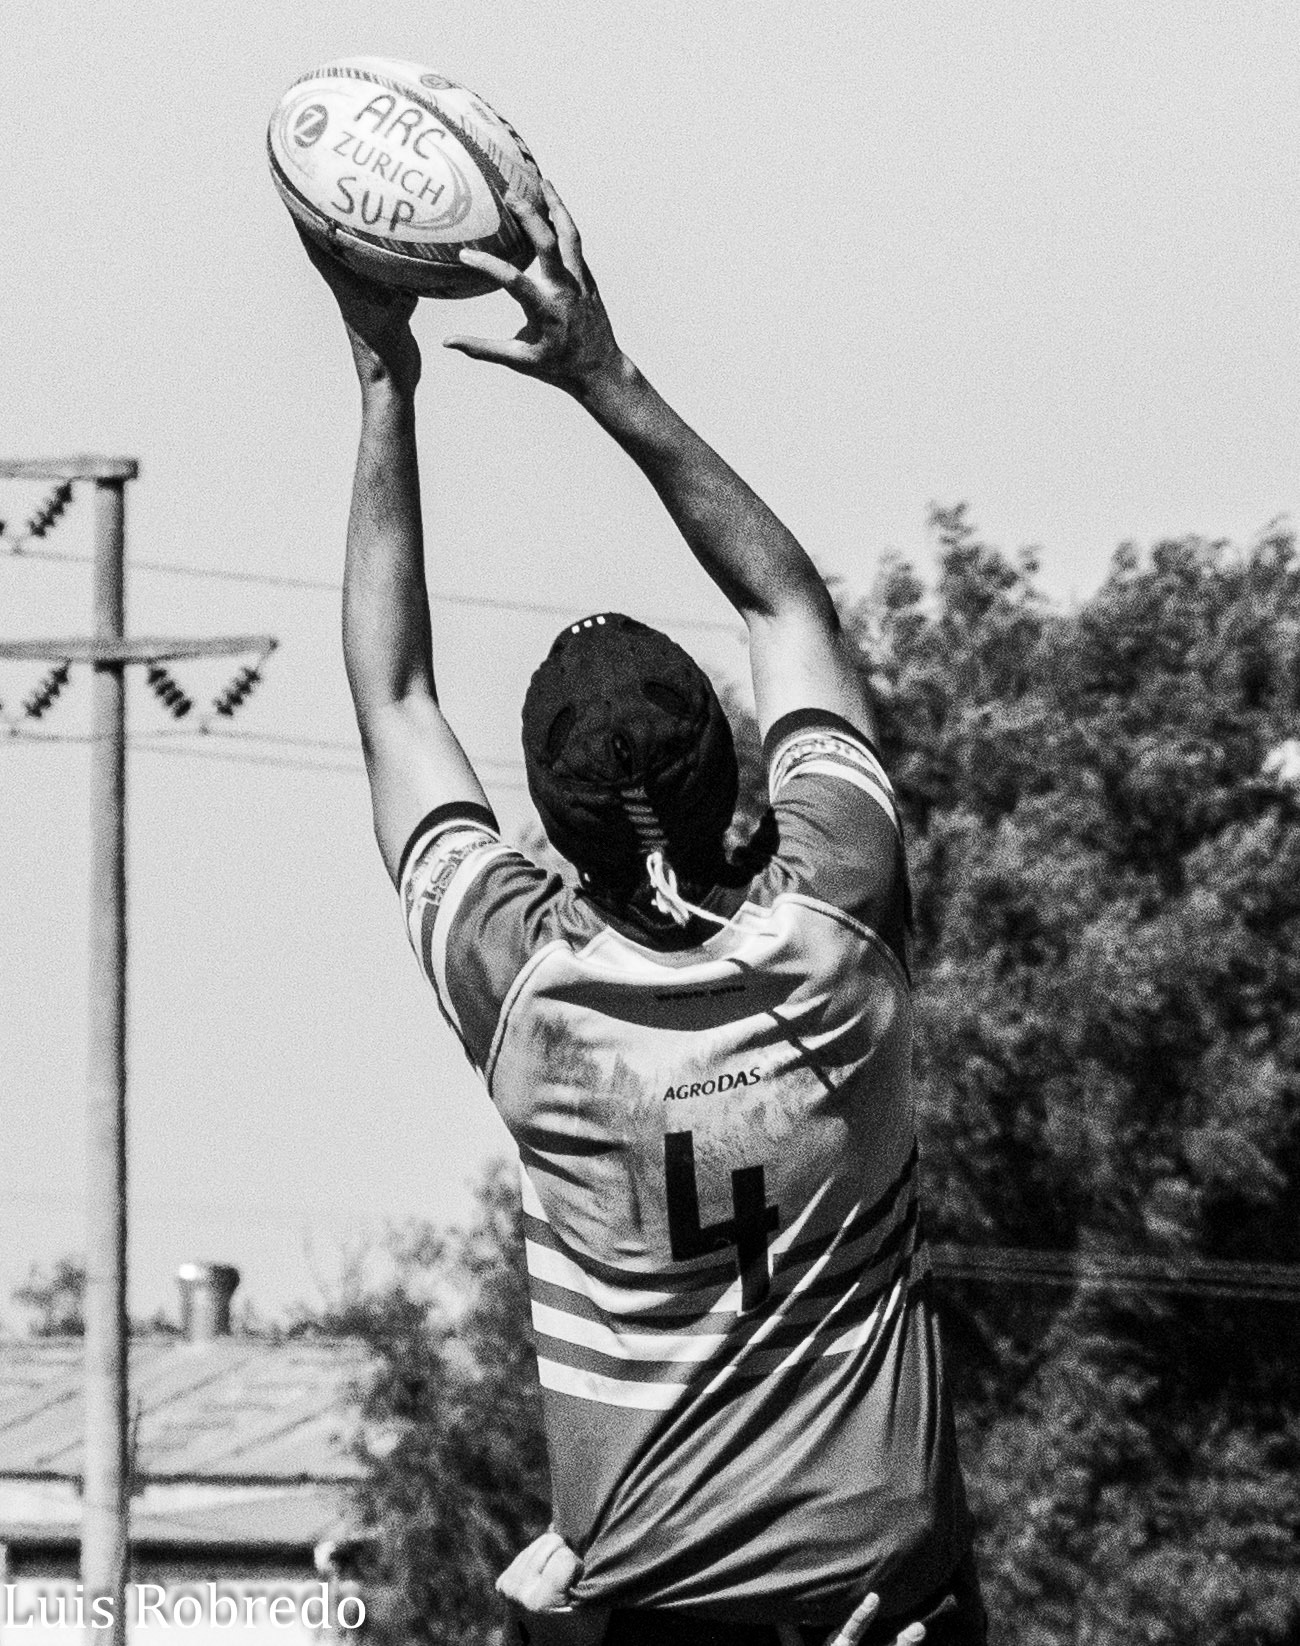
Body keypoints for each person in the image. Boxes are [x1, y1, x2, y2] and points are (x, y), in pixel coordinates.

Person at [300, 179, 986, 1646]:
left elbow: (394, 693)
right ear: (746, 778)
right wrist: (605, 374)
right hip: (889, 1610)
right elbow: (787, 606)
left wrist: (384, 376)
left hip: (657, 1622)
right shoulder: (840, 922)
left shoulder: (528, 989)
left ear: (544, 835)